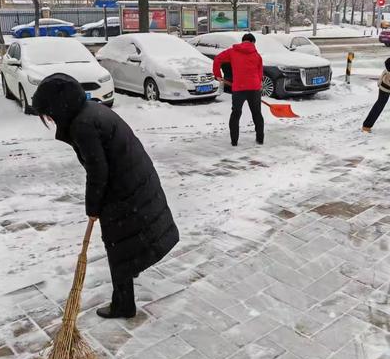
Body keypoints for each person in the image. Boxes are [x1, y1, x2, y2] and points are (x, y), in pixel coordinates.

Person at [32, 73, 179, 319]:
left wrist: (93, 208)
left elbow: (98, 171)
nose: (47, 119)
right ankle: (126, 287)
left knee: (118, 245)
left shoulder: (82, 125)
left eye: (47, 113)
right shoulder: (90, 111)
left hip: (124, 187)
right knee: (124, 244)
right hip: (131, 179)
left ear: (58, 108)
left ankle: (123, 305)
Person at [213, 33, 264, 146]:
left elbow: (217, 59)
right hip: (254, 88)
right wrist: (259, 84)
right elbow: (260, 72)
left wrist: (217, 74)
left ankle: (234, 141)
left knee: (236, 114)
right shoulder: (257, 55)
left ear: (243, 41)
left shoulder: (232, 52)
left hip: (238, 88)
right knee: (257, 114)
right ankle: (260, 139)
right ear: (252, 42)